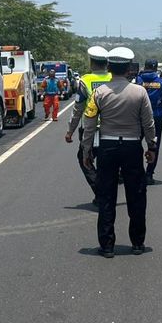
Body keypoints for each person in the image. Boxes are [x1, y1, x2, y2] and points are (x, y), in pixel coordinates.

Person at [82, 47, 156, 258]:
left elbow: (89, 124)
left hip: (107, 147)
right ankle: (138, 243)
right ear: (129, 68)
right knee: (137, 195)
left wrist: (87, 150)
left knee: (106, 196)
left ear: (110, 67)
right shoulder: (140, 92)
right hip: (132, 146)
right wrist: (151, 147)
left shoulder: (99, 92)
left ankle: (107, 245)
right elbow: (148, 123)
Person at [65, 46, 112, 205]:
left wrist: (70, 131)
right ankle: (105, 192)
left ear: (91, 62)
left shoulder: (85, 80)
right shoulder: (114, 78)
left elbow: (78, 108)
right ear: (106, 63)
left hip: (90, 129)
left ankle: (100, 192)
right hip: (112, 128)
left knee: (84, 159)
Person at [135, 58, 162, 185]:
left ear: (145, 66)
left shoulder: (137, 81)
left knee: (134, 144)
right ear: (156, 68)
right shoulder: (161, 82)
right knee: (154, 145)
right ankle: (149, 174)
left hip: (138, 118)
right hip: (156, 117)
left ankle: (134, 171)